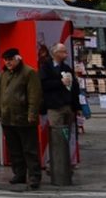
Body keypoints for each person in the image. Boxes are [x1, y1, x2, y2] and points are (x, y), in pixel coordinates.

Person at [0, 47, 42, 189]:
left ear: (18, 58)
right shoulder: (4, 74)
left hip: (24, 118)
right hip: (7, 118)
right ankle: (19, 174)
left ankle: (34, 176)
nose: (8, 62)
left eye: (10, 59)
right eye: (6, 60)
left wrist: (32, 114)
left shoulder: (29, 72)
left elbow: (34, 95)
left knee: (30, 149)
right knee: (14, 150)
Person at [39, 42, 81, 171]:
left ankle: (65, 162)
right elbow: (43, 85)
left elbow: (74, 88)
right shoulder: (46, 67)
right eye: (63, 51)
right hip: (54, 107)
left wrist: (77, 106)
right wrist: (60, 82)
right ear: (55, 53)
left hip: (68, 106)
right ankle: (53, 164)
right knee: (56, 135)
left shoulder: (67, 68)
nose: (66, 53)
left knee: (65, 135)